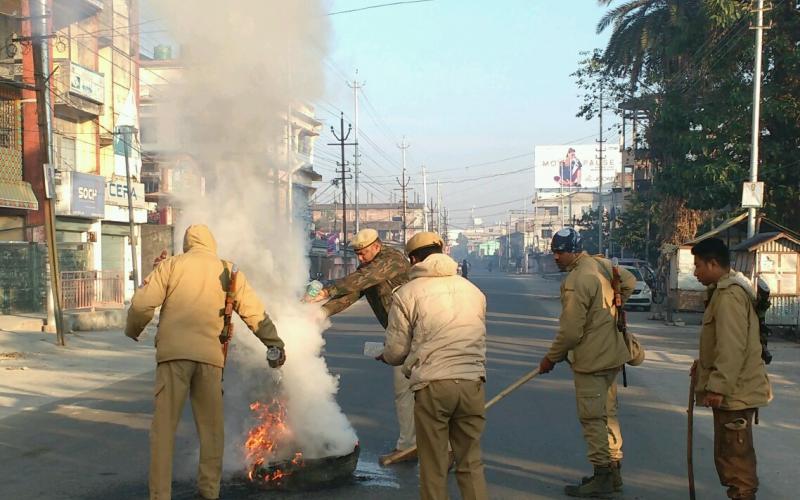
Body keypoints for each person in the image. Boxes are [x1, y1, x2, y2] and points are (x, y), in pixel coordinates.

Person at [125, 224, 286, 500]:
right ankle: (209, 491)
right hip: (211, 359)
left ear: (187, 243)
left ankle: (160, 495)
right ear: (211, 243)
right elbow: (254, 312)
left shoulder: (171, 266)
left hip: (173, 357)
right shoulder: (228, 270)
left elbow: (141, 305)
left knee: (163, 431)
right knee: (211, 431)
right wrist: (274, 343)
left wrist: (133, 330)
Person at [381, 232, 488, 500]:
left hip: (433, 386)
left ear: (414, 259)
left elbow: (396, 351)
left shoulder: (406, 293)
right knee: (470, 462)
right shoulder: (473, 291)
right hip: (472, 382)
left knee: (434, 465)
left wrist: (386, 356)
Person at [537, 227, 636, 497]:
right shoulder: (602, 265)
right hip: (612, 354)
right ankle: (614, 472)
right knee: (608, 414)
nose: (556, 257)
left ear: (573, 251)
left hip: (592, 359)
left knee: (593, 418)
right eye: (554, 251)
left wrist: (551, 358)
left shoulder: (578, 279)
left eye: (561, 252)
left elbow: (570, 332)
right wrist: (610, 309)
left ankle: (602, 475)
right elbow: (629, 282)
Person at [305, 228, 414, 463]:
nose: (360, 259)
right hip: (399, 336)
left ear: (376, 246)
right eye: (357, 255)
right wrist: (323, 310)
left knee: (427, 392)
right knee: (403, 392)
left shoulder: (391, 259)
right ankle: (409, 445)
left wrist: (327, 289)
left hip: (417, 332)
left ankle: (443, 447)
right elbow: (354, 292)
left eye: (363, 254)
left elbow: (364, 279)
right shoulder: (369, 267)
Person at [690, 238, 772, 500]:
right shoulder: (725, 291)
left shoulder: (729, 296)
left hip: (735, 393)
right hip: (735, 391)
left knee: (736, 463)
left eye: (698, 265)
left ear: (713, 264)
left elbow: (731, 347)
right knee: (729, 457)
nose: (695, 272)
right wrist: (702, 368)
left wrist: (718, 386)